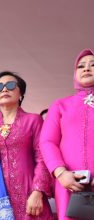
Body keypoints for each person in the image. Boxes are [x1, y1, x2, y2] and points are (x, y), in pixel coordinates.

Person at [0, 71, 53, 219]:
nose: (4, 89)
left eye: (10, 85)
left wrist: (37, 192)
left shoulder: (33, 121)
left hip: (29, 197)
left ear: (21, 94)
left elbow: (43, 158)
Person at [40, 48, 94, 220]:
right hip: (68, 184)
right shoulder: (60, 105)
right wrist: (61, 173)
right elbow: (47, 141)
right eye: (81, 66)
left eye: (93, 65)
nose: (86, 69)